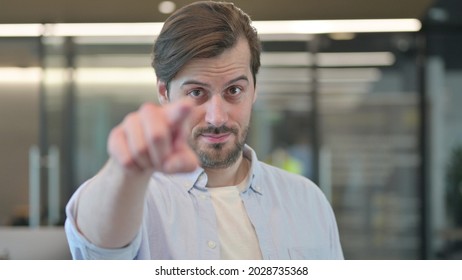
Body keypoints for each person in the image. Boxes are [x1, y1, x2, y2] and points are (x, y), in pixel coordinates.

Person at [65, 1, 344, 260]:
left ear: (254, 89)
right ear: (164, 92)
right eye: (197, 92)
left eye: (234, 90)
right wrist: (125, 169)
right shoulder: (137, 197)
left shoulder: (307, 200)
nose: (217, 117)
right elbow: (95, 246)